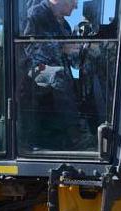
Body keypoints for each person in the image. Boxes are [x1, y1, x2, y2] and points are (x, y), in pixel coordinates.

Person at [19, 0, 88, 152]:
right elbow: (28, 48)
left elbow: (75, 63)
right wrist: (61, 47)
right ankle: (75, 136)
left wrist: (84, 47)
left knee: (85, 76)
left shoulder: (65, 26)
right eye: (73, 2)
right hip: (34, 69)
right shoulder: (35, 14)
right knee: (58, 75)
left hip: (59, 73)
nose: (76, 6)